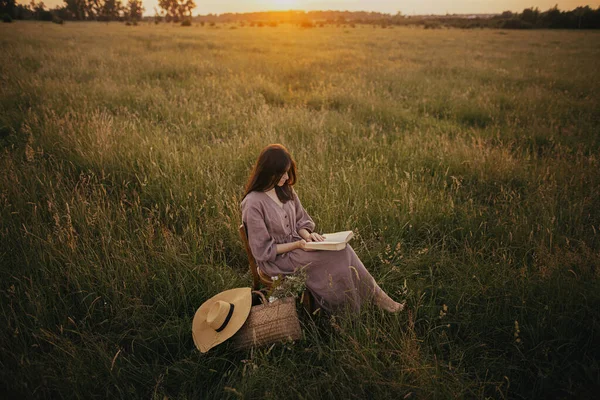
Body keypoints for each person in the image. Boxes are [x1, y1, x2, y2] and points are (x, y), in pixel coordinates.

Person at [241, 144, 404, 313]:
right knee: (338, 256)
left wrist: (307, 235)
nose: (285, 177)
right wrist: (298, 245)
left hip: (299, 245)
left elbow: (301, 220)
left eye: (287, 171)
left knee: (342, 248)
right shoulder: (252, 203)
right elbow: (263, 251)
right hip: (277, 259)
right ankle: (356, 303)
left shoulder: (285, 189)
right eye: (280, 173)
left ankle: (372, 297)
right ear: (267, 171)